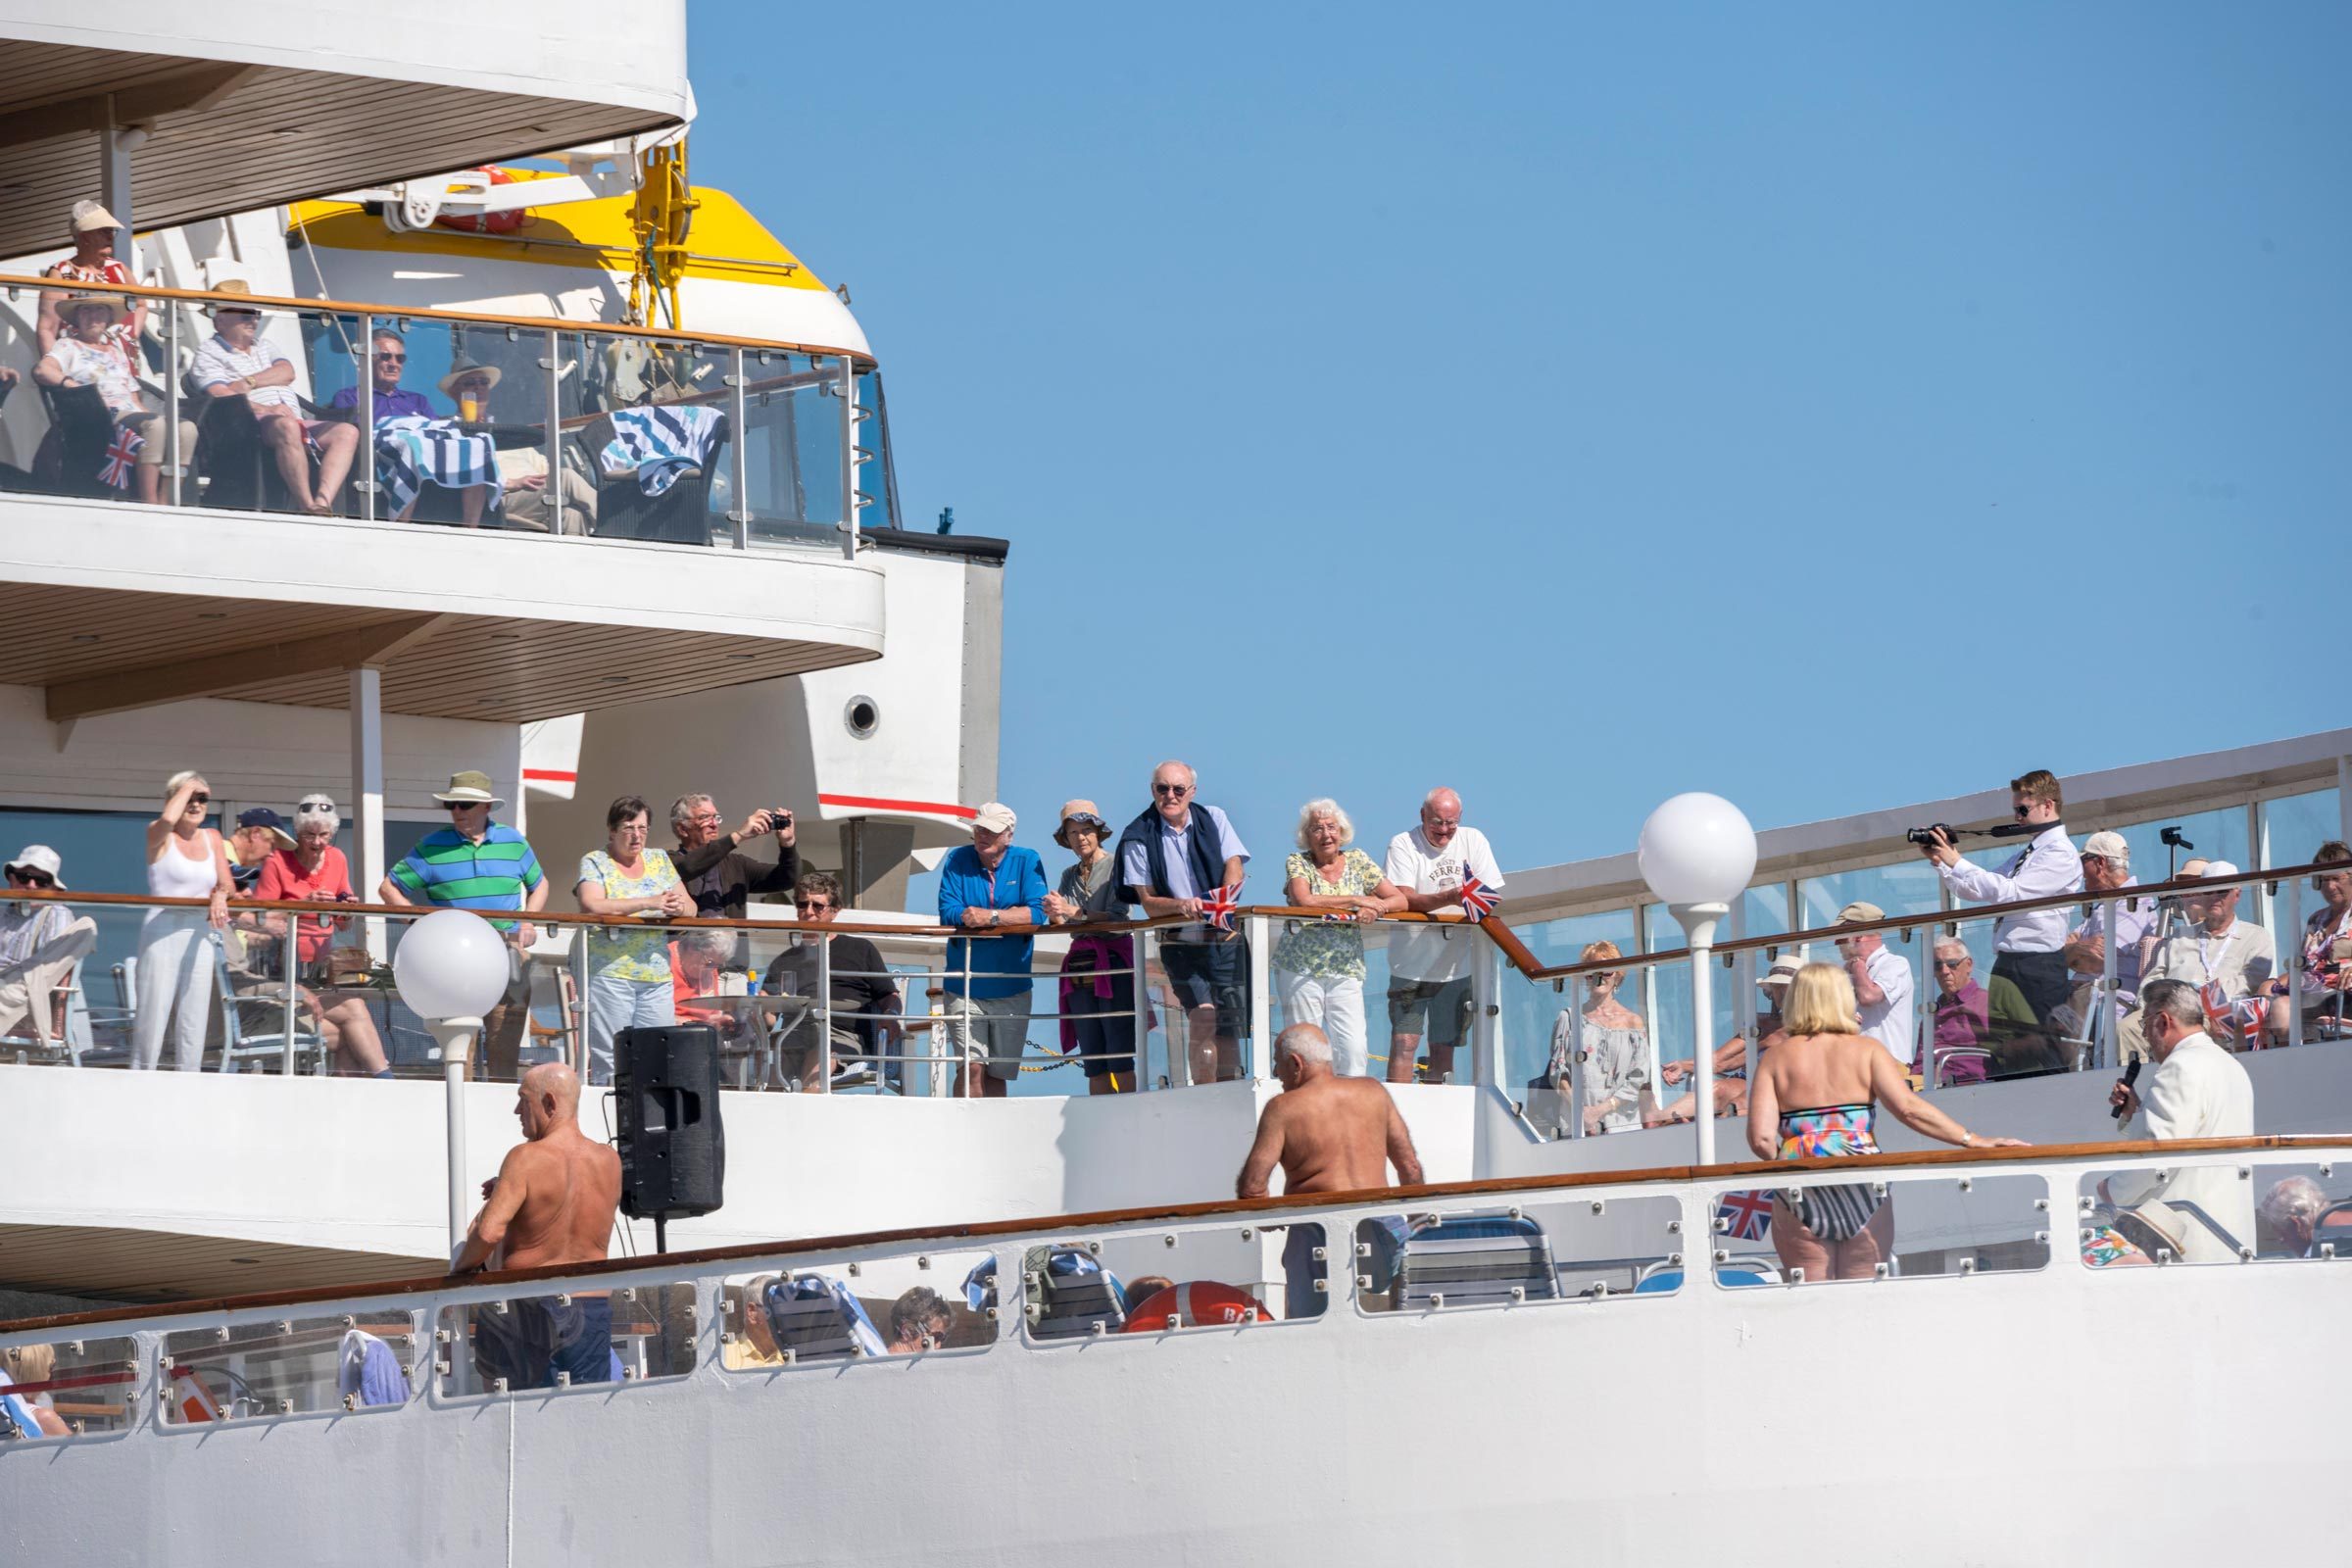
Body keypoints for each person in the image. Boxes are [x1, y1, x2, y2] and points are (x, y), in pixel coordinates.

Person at [1745, 963, 2024, 1282]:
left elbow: (1761, 1139)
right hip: (1862, 1180)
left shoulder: (1776, 1058)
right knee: (1864, 1290)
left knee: (1809, 1294)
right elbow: (1908, 1109)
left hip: (1799, 1184)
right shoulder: (1867, 1051)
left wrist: (1792, 1161)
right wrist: (1973, 1140)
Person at [1236, 1023, 1425, 1319]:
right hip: (1381, 1227)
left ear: (1296, 1063)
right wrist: (1417, 1224)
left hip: (1318, 1233)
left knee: (1308, 1329)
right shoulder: (1373, 1092)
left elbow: (1252, 1187)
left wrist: (1269, 1219)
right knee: (1400, 1317)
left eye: (1278, 1064)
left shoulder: (1283, 1108)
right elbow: (1410, 1168)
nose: (1277, 1074)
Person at [452, 1062, 623, 1390]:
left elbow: (488, 1232)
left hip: (530, 1304)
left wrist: (458, 1272)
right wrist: (507, 1184)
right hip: (591, 1305)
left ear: (549, 1103)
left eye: (523, 1099)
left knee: (511, 1413)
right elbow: (565, 1195)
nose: (517, 1110)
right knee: (582, 1409)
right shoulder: (609, 1161)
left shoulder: (525, 1158)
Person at [379, 770, 548, 1080]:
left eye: (465, 804)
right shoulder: (431, 846)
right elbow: (389, 887)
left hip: (506, 951)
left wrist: (528, 920)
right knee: (460, 1057)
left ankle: (500, 1123)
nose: (457, 811)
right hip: (455, 959)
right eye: (452, 805)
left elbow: (540, 884)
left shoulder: (514, 841)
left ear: (486, 807)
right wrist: (422, 927)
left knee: (504, 1054)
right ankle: (462, 1121)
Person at [1118, 761, 1250, 1086]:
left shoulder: (1214, 818)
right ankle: (1203, 1091)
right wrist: (1184, 906)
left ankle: (1228, 1089)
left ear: (1192, 792)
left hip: (1223, 938)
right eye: (1163, 788)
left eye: (1178, 789)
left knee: (1228, 1024)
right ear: (1153, 791)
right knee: (1203, 1015)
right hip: (1179, 944)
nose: (1170, 796)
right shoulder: (1137, 836)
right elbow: (1148, 902)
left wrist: (1220, 901)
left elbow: (1234, 864)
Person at [1916, 768, 2083, 1023]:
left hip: (2038, 964)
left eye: (2023, 810)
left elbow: (2010, 893)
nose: (2017, 817)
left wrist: (1957, 861)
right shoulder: (2028, 853)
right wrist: (1942, 862)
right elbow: (1977, 889)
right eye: (2015, 810)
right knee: (2002, 1049)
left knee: (2039, 1048)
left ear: (2048, 806)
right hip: (2009, 961)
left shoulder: (2060, 853)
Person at [2102, 977, 2257, 1250]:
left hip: (2186, 1237)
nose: (2146, 1037)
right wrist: (2135, 1113)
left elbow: (2159, 1151)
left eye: (2144, 1025)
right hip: (2231, 1232)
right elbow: (2194, 1132)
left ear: (2163, 1021)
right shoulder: (2231, 1065)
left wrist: (2113, 1190)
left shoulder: (2180, 1066)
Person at [189, 282, 361, 515]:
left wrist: (247, 383)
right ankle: (307, 505)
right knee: (287, 427)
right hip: (248, 425)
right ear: (220, 320)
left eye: (256, 313)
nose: (254, 320)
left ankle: (323, 502)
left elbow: (287, 372)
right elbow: (221, 395)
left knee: (347, 432)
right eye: (246, 313)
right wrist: (267, 409)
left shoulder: (265, 346)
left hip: (289, 416)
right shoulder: (208, 352)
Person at [254, 795, 388, 1076]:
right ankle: (385, 1079)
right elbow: (259, 919)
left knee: (349, 1029)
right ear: (297, 834)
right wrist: (305, 903)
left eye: (324, 835)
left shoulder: (337, 859)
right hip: (281, 976)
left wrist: (346, 910)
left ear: (332, 833)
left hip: (320, 973)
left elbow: (341, 924)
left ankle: (348, 1093)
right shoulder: (278, 861)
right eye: (309, 835)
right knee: (354, 1009)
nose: (317, 842)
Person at [1272, 799, 1405, 1078]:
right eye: (1316, 829)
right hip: (1300, 967)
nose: (1325, 834)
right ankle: (1307, 1107)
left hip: (1345, 968)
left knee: (1353, 1047)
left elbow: (1399, 900)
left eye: (1331, 827)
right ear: (1306, 836)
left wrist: (1374, 906)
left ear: (1341, 831)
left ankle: (1349, 1109)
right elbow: (1304, 900)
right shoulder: (1298, 862)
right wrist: (1358, 899)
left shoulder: (1358, 860)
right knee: (1304, 1048)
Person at [1383, 788, 1505, 1086]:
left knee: (1443, 1047)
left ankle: (1435, 1110)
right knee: (1405, 1043)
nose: (1444, 831)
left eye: (1451, 823)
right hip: (1410, 965)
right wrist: (1451, 896)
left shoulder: (1472, 839)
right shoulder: (1403, 844)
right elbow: (1406, 899)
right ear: (1422, 816)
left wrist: (1466, 899)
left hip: (1457, 965)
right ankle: (1397, 1112)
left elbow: (1490, 894)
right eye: (1437, 822)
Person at [30, 292, 195, 505]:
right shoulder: (68, 345)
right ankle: (150, 503)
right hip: (99, 414)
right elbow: (42, 370)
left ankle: (168, 502)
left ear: (109, 318)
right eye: (86, 310)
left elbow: (133, 396)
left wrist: (150, 417)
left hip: (129, 413)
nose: (93, 316)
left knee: (186, 428)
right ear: (77, 318)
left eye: (99, 310)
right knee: (155, 426)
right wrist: (71, 384)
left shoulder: (116, 350)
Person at [573, 795, 690, 1085]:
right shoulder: (595, 861)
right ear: (612, 831)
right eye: (628, 828)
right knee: (612, 1056)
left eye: (642, 828)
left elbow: (691, 906)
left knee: (658, 1056)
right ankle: (609, 1122)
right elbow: (592, 904)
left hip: (656, 975)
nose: (636, 836)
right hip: (611, 973)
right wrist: (649, 901)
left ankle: (650, 1125)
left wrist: (678, 908)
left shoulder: (659, 859)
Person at [328, 329, 493, 524]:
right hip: (378, 457)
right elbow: (353, 438)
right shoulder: (350, 396)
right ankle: (401, 526)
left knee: (477, 444)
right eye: (386, 357)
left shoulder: (417, 400)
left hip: (425, 458)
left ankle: (471, 529)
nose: (394, 364)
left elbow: (438, 431)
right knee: (410, 445)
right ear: (368, 359)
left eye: (400, 358)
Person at [937, 804, 1046, 1099]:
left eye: (991, 831)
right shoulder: (958, 859)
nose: (982, 835)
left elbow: (1037, 913)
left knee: (998, 1073)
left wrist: (991, 917)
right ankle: (962, 1130)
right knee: (970, 1066)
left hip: (1012, 985)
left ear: (1008, 836)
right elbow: (948, 911)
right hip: (964, 983)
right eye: (979, 828)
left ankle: (992, 1136)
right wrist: (1008, 915)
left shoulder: (1027, 860)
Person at [760, 870, 904, 1093]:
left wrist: (890, 1016)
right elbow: (769, 1018)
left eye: (817, 906)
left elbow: (888, 995)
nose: (808, 912)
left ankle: (803, 1121)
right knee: (768, 1078)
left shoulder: (861, 949)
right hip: (795, 1031)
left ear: (835, 911)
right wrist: (756, 1010)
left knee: (817, 1067)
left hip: (840, 1034)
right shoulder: (784, 960)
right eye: (802, 905)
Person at [131, 771, 233, 1070]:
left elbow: (226, 883)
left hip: (200, 931)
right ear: (174, 799)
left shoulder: (212, 837)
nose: (197, 803)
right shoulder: (158, 833)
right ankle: (139, 1081)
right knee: (153, 1015)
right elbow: (166, 820)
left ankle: (189, 1084)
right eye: (190, 797)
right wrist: (189, 785)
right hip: (162, 929)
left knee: (193, 1019)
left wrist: (220, 895)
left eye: (202, 798)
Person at [1041, 800, 1141, 1094]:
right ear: (1066, 839)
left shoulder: (1117, 866)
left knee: (1119, 1053)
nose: (1081, 837)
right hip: (1081, 966)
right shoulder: (1068, 875)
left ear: (1098, 833)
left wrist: (1072, 912)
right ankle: (1103, 1119)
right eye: (1073, 832)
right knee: (1093, 1058)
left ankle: (1130, 1115)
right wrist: (1055, 915)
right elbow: (1067, 924)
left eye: (1086, 830)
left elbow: (1117, 917)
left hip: (1113, 963)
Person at [2130, 861, 2276, 1055]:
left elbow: (2250, 983)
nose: (2214, 897)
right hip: (2167, 1009)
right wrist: (2150, 1004)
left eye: (2221, 891)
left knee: (2191, 1027)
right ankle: (2132, 1084)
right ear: (2200, 895)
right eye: (2208, 891)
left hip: (2214, 1013)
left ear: (2237, 894)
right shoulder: (2180, 935)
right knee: (2126, 1028)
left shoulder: (2256, 936)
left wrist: (2200, 998)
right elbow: (2154, 978)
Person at [1653, 955, 1803, 1124]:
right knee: (1715, 1089)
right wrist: (1683, 1065)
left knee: (1739, 1104)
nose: (1781, 993)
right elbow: (1720, 1060)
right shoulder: (1760, 1023)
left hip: (1781, 1087)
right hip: (1746, 1081)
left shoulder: (1809, 1029)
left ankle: (1700, 1132)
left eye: (1786, 987)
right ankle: (1660, 1119)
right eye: (1777, 987)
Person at [1542, 941, 1652, 1135]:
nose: (1598, 979)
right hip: (1578, 1124)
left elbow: (1639, 1078)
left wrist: (1600, 1111)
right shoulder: (1569, 1018)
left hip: (1622, 1126)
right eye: (1592, 972)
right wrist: (1583, 1112)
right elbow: (1558, 1072)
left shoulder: (1633, 1023)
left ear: (1618, 976)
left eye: (1606, 972)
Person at [2060, 830, 2160, 1042]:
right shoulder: (2102, 905)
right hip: (2083, 1003)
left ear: (2100, 863)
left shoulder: (2134, 901)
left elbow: (2095, 961)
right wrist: (2075, 950)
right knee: (2039, 1032)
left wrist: (2072, 951)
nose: (2079, 870)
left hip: (2107, 1006)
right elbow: (2064, 952)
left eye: (2083, 861)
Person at [667, 794, 799, 940]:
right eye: (705, 818)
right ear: (682, 829)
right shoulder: (664, 863)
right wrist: (740, 835)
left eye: (716, 818)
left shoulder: (736, 864)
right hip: (685, 956)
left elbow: (787, 879)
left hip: (732, 959)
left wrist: (788, 844)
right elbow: (687, 867)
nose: (714, 824)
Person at [2266, 840, 2351, 1046]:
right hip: (2315, 991)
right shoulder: (2317, 919)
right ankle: (2288, 1061)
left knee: (2282, 1008)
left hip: (2344, 994)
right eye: (2323, 880)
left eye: (2336, 878)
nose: (2330, 886)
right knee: (2267, 990)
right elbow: (2306, 961)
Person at [0, 845, 85, 1045]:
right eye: (24, 877)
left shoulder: (57, 914)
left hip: (29, 1009)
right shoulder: (2, 914)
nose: (31, 885)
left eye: (41, 881)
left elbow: (45, 974)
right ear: (11, 878)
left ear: (54, 889)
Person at [35, 200, 143, 354]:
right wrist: (54, 370)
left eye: (111, 231)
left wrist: (130, 336)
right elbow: (47, 329)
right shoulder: (61, 273)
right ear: (85, 236)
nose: (111, 237)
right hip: (78, 364)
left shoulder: (119, 269)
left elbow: (141, 305)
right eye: (104, 231)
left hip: (120, 362)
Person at [1832, 902, 1917, 1067]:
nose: (1835, 942)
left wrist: (1857, 965)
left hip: (1889, 1066)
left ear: (1857, 937)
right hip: (1854, 1067)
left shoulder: (1896, 964)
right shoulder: (1846, 972)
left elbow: (1868, 996)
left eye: (1839, 936)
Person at [2257, 1175, 2328, 1258]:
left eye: (2282, 1235)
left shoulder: (2312, 1262)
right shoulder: (2341, 1244)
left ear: (2298, 1225)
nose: (2281, 1241)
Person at [884, 1286, 953, 1353]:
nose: (938, 1346)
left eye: (942, 1339)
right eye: (936, 1337)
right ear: (908, 1332)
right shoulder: (882, 1364)